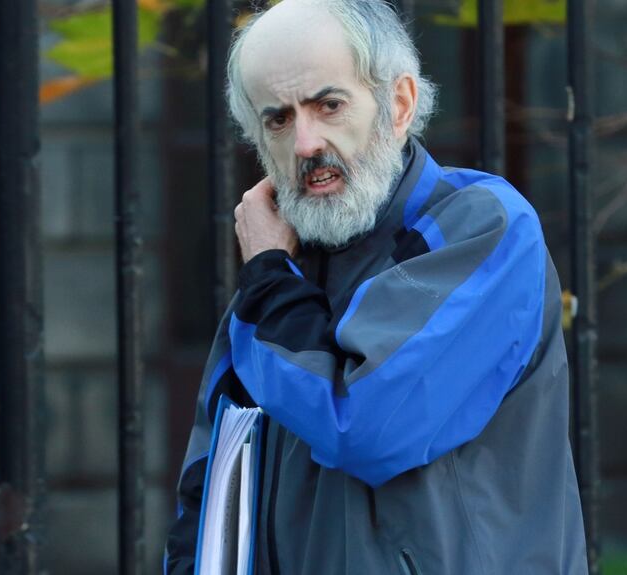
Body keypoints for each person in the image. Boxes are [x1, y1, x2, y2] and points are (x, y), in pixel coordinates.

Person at [164, 0, 587, 573]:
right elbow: (208, 499)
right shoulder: (278, 276)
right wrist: (271, 275)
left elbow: (364, 426)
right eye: (278, 119)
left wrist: (268, 276)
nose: (306, 143)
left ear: (399, 104)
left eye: (329, 105)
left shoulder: (483, 227)